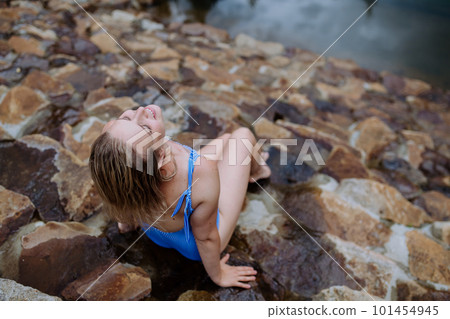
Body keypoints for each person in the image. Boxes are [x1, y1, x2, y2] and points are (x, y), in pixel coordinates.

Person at [89, 104, 271, 289]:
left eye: (126, 119)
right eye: (145, 128)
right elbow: (206, 237)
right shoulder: (201, 170)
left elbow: (119, 197)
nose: (140, 111)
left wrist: (127, 224)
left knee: (225, 140)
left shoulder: (114, 161)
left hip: (155, 231)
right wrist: (218, 275)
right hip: (193, 245)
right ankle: (259, 171)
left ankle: (245, 158)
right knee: (242, 137)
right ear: (161, 159)